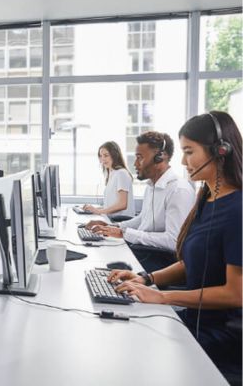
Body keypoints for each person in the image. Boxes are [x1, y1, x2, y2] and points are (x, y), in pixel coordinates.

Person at [110, 111, 241, 379]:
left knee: (130, 354)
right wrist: (146, 278)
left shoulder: (238, 209)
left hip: (222, 338)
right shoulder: (207, 198)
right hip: (197, 320)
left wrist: (162, 296)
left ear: (221, 150)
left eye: (189, 152)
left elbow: (235, 293)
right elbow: (191, 262)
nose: (183, 161)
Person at [86, 131, 196, 271]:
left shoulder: (178, 190)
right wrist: (115, 227)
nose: (135, 164)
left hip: (160, 262)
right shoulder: (152, 187)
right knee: (98, 257)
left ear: (159, 157)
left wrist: (126, 234)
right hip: (144, 251)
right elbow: (143, 219)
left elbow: (174, 241)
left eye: (140, 158)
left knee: (103, 263)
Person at [83, 141, 135, 217]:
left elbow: (122, 204)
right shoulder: (112, 174)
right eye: (100, 156)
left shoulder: (121, 173)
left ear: (115, 155)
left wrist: (98, 211)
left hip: (121, 221)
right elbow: (110, 206)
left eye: (106, 155)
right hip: (113, 220)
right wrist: (93, 209)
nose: (102, 159)